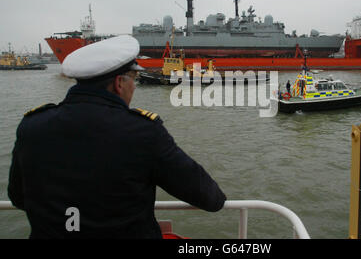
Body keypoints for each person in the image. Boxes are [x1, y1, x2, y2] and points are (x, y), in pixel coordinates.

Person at [8, 35, 226, 239]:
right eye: (134, 78)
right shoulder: (143, 131)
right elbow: (209, 198)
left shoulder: (32, 125)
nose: (134, 86)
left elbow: (18, 197)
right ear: (119, 83)